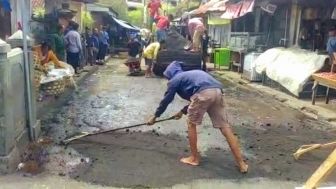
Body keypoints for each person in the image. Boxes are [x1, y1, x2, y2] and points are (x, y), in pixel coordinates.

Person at [147, 61, 248, 173]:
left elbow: (166, 100)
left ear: (168, 74)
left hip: (204, 93)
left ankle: (194, 158)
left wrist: (155, 116)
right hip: (217, 91)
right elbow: (198, 97)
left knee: (191, 124)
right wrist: (182, 111)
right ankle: (241, 164)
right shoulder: (190, 75)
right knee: (225, 127)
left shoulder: (174, 80)